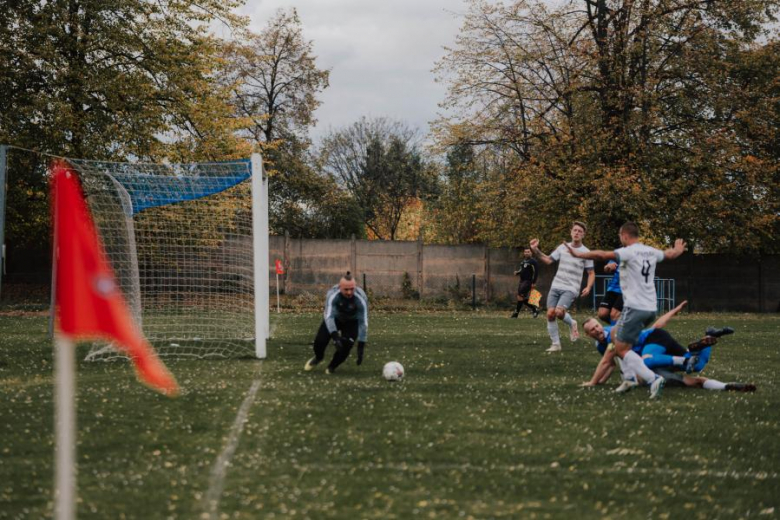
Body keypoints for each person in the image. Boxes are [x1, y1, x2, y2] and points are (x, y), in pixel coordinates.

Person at [566, 221, 686, 398]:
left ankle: (652, 379)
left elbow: (601, 254)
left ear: (624, 235)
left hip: (635, 307)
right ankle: (629, 378)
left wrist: (578, 253)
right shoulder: (650, 251)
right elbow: (669, 254)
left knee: (621, 349)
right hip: (651, 308)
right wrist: (677, 250)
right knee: (614, 333)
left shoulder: (628, 251)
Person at [530, 221, 595, 352]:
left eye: (580, 231)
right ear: (571, 232)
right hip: (556, 285)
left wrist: (588, 287)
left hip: (571, 288)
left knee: (559, 313)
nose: (577, 233)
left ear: (583, 235)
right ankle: (556, 344)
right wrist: (535, 250)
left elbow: (591, 272)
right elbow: (548, 260)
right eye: (575, 230)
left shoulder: (586, 252)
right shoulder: (562, 247)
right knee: (550, 314)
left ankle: (572, 323)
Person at [304, 271, 368, 374]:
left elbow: (363, 321)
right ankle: (318, 357)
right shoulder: (333, 295)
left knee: (346, 345)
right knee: (320, 342)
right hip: (335, 319)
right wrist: (335, 337)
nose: (349, 292)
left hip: (352, 321)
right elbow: (329, 317)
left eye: (352, 289)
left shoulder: (361, 298)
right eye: (346, 289)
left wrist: (361, 345)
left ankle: (332, 366)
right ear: (340, 287)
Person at [510, 247, 539, 318]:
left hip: (528, 281)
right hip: (522, 281)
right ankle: (534, 309)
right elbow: (521, 270)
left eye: (528, 252)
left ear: (531, 253)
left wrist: (534, 282)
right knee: (520, 297)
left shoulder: (533, 261)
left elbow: (536, 272)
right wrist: (517, 272)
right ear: (524, 253)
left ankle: (516, 313)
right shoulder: (523, 261)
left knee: (520, 296)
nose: (526, 253)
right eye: (525, 252)